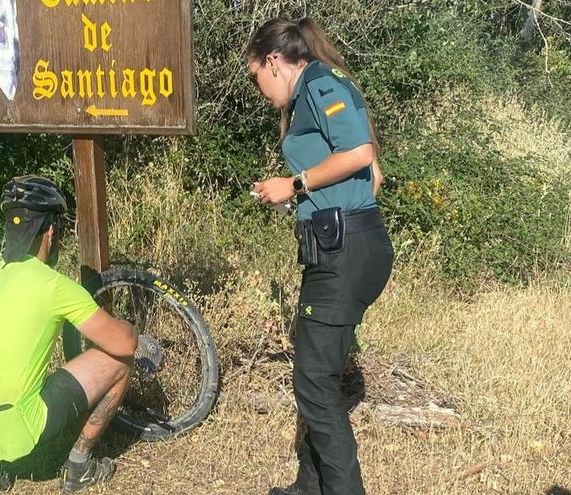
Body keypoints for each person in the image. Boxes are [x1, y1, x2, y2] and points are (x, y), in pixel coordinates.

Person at [247, 17, 394, 495]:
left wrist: (292, 183)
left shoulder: (320, 82)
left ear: (274, 61)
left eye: (257, 76)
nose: (260, 88)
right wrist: (304, 198)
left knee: (313, 385)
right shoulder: (325, 83)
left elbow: (359, 153)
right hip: (344, 245)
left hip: (342, 253)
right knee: (317, 381)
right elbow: (372, 175)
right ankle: (309, 488)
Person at [0, 176, 137, 493]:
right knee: (119, 360)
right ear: (49, 232)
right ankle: (79, 467)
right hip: (19, 430)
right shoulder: (53, 285)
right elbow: (124, 343)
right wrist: (130, 327)